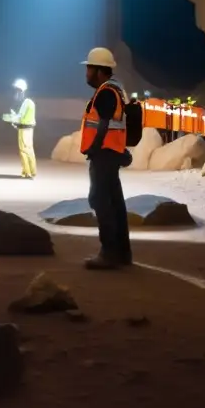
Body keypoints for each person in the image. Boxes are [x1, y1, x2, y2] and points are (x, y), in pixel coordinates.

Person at [79, 47, 133, 270]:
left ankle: (109, 252)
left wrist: (93, 148)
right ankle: (122, 253)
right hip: (111, 153)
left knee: (100, 200)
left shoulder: (106, 92)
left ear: (100, 70)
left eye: (89, 68)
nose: (87, 73)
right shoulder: (117, 90)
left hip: (104, 154)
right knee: (114, 202)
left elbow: (103, 125)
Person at [5, 78, 37, 178]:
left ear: (21, 91)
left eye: (17, 91)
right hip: (29, 129)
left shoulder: (25, 103)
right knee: (29, 150)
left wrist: (10, 118)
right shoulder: (30, 102)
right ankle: (32, 171)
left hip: (24, 129)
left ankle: (27, 172)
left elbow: (20, 117)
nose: (16, 93)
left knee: (24, 150)